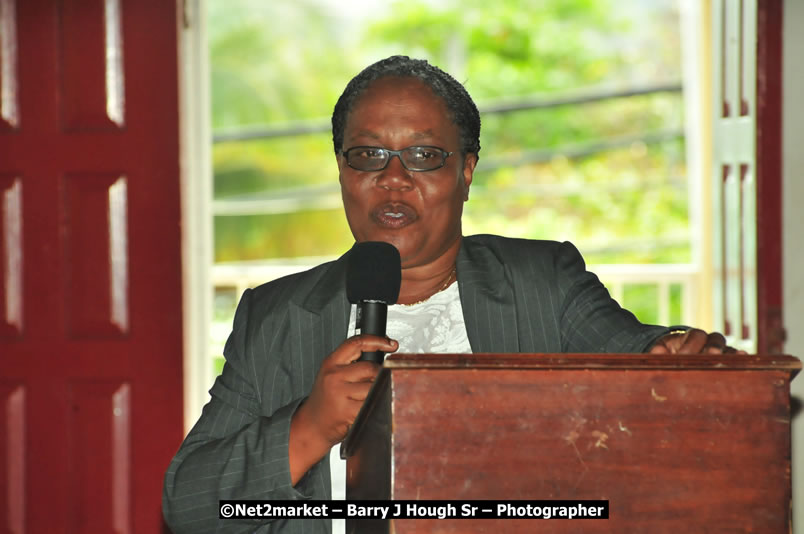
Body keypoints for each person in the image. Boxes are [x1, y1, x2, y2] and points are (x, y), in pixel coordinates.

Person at [162, 55, 737, 533]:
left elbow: (636, 353)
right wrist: (310, 428)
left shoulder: (542, 282)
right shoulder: (277, 317)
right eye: (368, 155)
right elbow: (188, 505)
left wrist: (678, 356)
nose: (393, 178)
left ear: (466, 172)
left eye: (423, 156)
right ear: (342, 170)